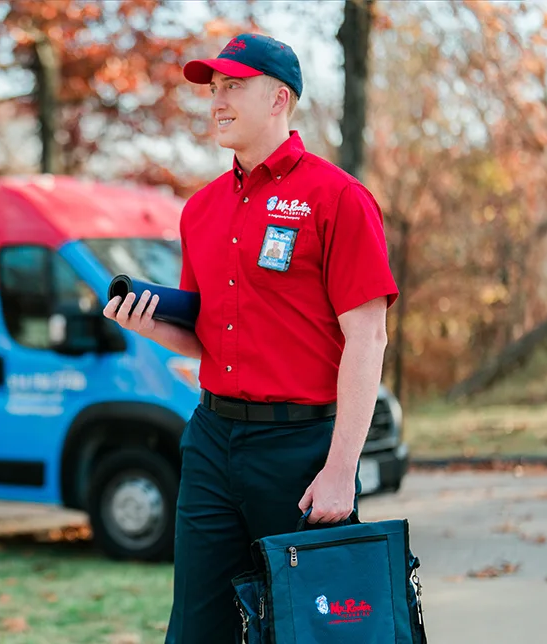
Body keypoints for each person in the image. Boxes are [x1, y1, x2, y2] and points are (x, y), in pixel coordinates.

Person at [102, 32, 399, 643]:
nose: (218, 101)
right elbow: (205, 337)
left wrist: (343, 468)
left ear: (279, 98)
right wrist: (148, 323)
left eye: (234, 86)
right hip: (211, 442)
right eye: (214, 89)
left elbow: (368, 338)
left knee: (315, 633)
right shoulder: (200, 211)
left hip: (301, 450)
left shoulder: (338, 199)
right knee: (196, 629)